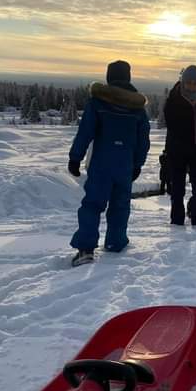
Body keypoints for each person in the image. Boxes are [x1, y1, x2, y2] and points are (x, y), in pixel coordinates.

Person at [67, 60, 150, 266]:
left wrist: (75, 157)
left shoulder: (98, 102)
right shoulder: (137, 109)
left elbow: (85, 132)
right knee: (120, 206)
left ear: (109, 78)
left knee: (93, 205)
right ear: (128, 78)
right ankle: (115, 243)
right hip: (125, 166)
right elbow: (143, 141)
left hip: (102, 164)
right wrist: (137, 164)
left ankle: (86, 249)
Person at [164, 65, 196, 226]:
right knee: (177, 190)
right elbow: (172, 127)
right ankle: (177, 221)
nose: (192, 85)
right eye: (189, 82)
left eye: (195, 82)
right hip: (178, 151)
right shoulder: (173, 100)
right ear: (183, 82)